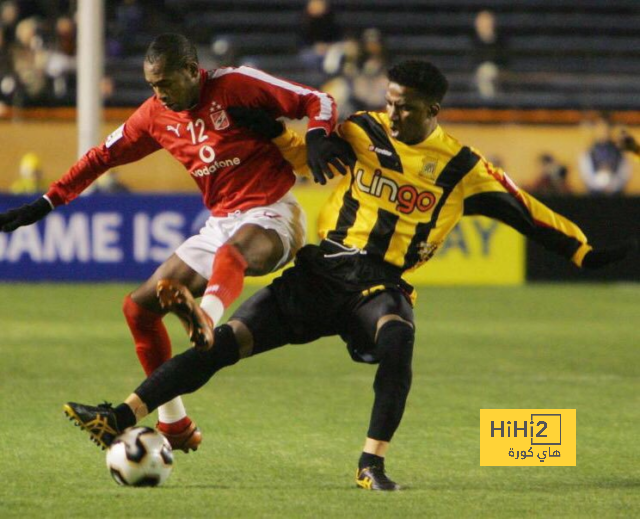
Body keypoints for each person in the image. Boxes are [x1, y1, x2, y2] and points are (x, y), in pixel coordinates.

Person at [62, 61, 634, 491]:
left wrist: (583, 252)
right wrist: (279, 132)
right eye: (390, 102)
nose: (393, 113)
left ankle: (371, 464)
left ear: (434, 109)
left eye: (406, 106)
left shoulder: (464, 167)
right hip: (322, 268)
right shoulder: (363, 131)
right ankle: (121, 415)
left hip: (378, 282)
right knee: (222, 345)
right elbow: (309, 154)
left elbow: (527, 209)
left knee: (398, 336)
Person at [0, 33, 354, 453]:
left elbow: (319, 101)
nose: (160, 93)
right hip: (221, 222)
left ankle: (204, 318)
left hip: (274, 212)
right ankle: (174, 423)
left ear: (192, 70)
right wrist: (46, 202)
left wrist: (316, 135)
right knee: (138, 308)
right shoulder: (154, 115)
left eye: (166, 83)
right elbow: (101, 157)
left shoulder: (237, 84)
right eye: (152, 85)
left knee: (231, 254)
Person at [578, 114, 631, 196]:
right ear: (596, 129)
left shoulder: (619, 151)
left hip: (616, 194)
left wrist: (613, 186)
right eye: (600, 127)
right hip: (594, 194)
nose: (603, 130)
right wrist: (599, 185)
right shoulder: (590, 151)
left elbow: (624, 172)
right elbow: (586, 173)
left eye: (606, 127)